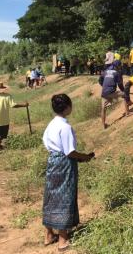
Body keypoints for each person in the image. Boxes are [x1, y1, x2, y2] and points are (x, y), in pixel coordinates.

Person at [42, 94, 95, 251]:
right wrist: (85, 157)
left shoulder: (51, 124)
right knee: (64, 197)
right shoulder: (65, 127)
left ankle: (49, 234)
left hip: (53, 161)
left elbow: (46, 142)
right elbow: (70, 152)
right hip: (64, 164)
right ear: (67, 107)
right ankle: (62, 239)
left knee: (51, 196)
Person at [0, 82, 29, 154]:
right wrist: (24, 105)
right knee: (1, 135)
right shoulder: (8, 96)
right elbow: (13, 105)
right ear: (3, 89)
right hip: (5, 120)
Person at [99, 60, 129, 129]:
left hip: (104, 93)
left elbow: (100, 80)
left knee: (103, 108)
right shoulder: (117, 73)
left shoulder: (105, 71)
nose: (120, 67)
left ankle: (103, 125)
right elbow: (120, 84)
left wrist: (104, 86)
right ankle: (127, 113)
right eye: (119, 65)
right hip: (111, 92)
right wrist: (123, 91)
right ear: (117, 66)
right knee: (124, 95)